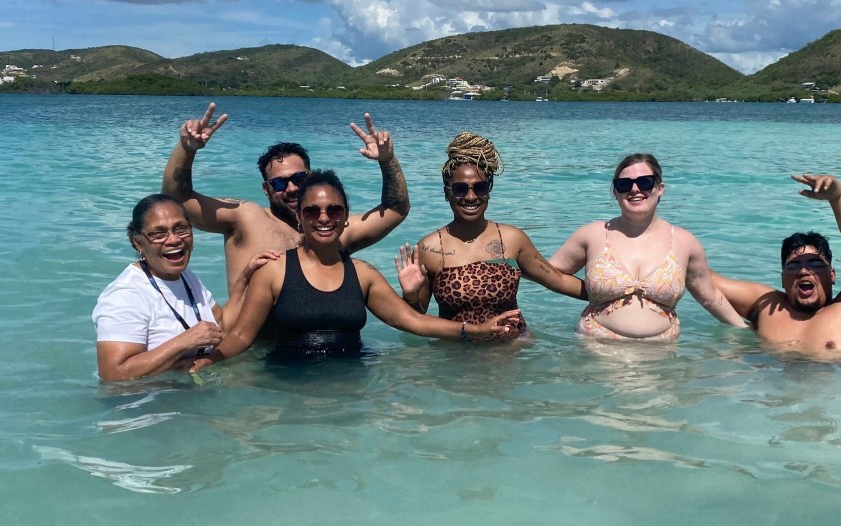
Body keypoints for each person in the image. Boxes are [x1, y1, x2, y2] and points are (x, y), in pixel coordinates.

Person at [189, 170, 520, 369]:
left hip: (353, 387)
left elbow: (414, 322)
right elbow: (243, 336)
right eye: (313, 211)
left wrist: (473, 331)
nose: (323, 218)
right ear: (300, 217)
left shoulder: (362, 274)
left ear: (346, 216)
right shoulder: (274, 271)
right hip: (287, 388)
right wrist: (209, 360)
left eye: (333, 210)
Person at [161, 102, 410, 297]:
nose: (291, 188)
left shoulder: (332, 227)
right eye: (279, 183)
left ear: (311, 178)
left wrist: (387, 160)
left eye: (299, 178)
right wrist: (187, 149)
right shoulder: (245, 218)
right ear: (266, 190)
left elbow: (396, 209)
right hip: (256, 352)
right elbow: (176, 202)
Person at [393, 132, 586, 340]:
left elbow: (558, 280)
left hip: (513, 351)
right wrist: (411, 295)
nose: (471, 196)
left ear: (489, 189)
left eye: (480, 187)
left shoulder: (512, 239)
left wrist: (615, 293)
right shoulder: (429, 248)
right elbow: (415, 318)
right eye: (460, 189)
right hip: (458, 357)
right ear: (446, 192)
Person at [549, 153, 745, 340]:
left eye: (644, 182)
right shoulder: (593, 234)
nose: (635, 189)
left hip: (660, 357)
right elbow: (547, 271)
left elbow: (709, 297)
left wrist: (746, 333)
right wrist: (589, 292)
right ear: (616, 192)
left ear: (660, 188)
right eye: (624, 185)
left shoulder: (685, 242)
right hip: (596, 347)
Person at [92, 194, 279, 382]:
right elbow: (112, 375)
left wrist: (247, 277)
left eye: (181, 228)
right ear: (138, 242)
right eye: (158, 233)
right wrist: (183, 342)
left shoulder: (184, 275)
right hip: (148, 406)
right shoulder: (125, 295)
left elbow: (220, 326)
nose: (173, 240)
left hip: (187, 398)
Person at [710, 174, 841, 354]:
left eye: (815, 264)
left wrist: (837, 199)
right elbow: (699, 277)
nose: (804, 271)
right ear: (783, 279)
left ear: (832, 275)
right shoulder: (765, 305)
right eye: (794, 265)